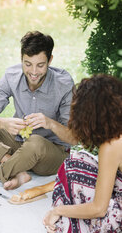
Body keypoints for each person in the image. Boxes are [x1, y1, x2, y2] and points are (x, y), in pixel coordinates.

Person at [0, 31, 76, 190]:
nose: (33, 72)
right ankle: (18, 172)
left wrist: (50, 123)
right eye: (28, 64)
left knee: (35, 141)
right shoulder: (11, 76)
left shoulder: (64, 83)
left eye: (40, 65)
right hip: (20, 143)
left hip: (52, 154)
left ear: (50, 60)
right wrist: (2, 123)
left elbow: (74, 138)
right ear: (21, 59)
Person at [43, 74, 122, 233]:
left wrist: (58, 211)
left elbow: (99, 208)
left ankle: (63, 222)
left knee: (71, 171)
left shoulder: (113, 144)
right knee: (74, 163)